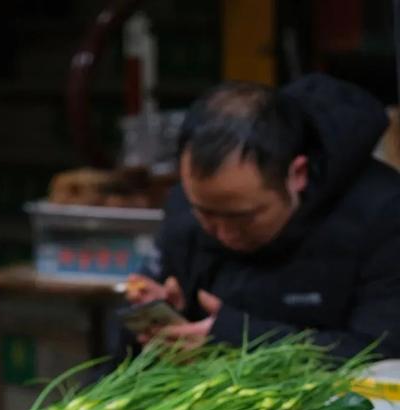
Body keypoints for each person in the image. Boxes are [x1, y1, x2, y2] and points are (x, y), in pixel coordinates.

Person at [127, 74, 400, 357]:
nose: (224, 234)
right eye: (206, 214)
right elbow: (124, 357)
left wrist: (237, 339)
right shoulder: (185, 209)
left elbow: (383, 351)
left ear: (297, 175)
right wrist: (167, 317)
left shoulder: (382, 214)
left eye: (242, 218)